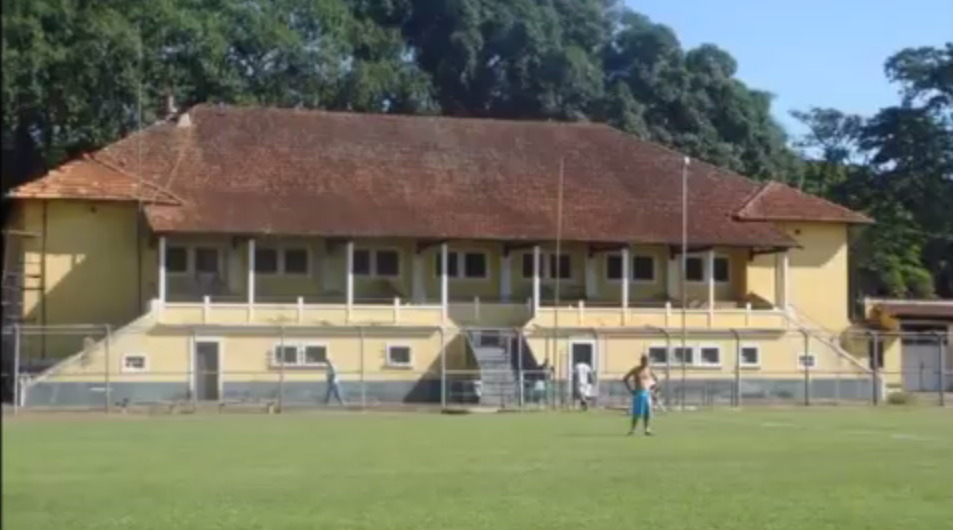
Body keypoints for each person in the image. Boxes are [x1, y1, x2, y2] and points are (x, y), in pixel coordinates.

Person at [622, 354, 654, 436]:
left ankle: (647, 429)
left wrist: (652, 390)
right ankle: (633, 429)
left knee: (648, 412)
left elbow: (655, 380)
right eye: (644, 360)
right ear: (641, 361)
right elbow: (625, 379)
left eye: (647, 361)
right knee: (637, 413)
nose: (645, 362)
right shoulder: (636, 369)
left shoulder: (649, 370)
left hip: (647, 393)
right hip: (639, 393)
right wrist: (631, 390)